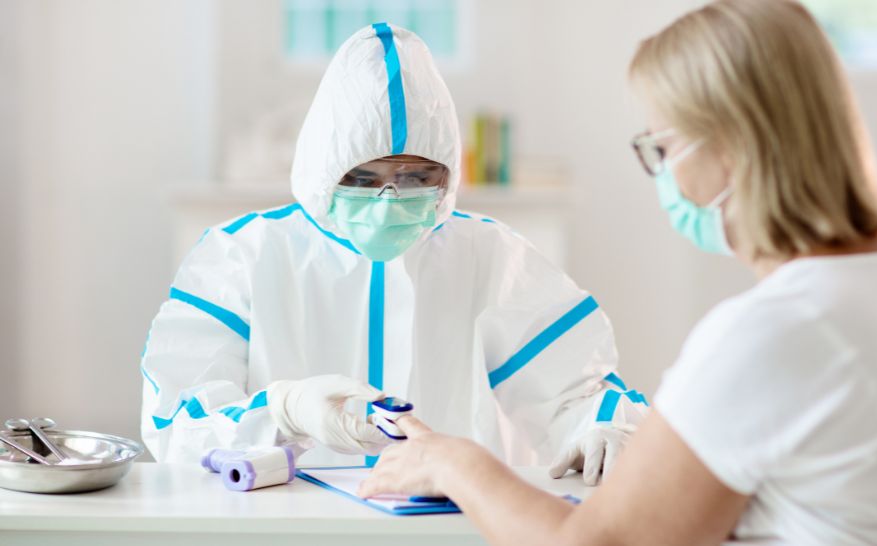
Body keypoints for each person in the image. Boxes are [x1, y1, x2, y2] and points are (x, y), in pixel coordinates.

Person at [358, 2, 877, 544]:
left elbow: (593, 545)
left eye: (663, 149)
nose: (663, 176)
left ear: (737, 141)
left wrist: (455, 464)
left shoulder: (780, 331)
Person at [139, 22, 645, 482]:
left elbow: (575, 393)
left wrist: (605, 428)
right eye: (362, 179)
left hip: (449, 521)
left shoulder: (492, 257)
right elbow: (176, 424)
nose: (389, 201)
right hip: (281, 521)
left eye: (416, 177)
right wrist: (285, 410)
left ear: (447, 174)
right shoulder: (241, 255)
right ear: (323, 169)